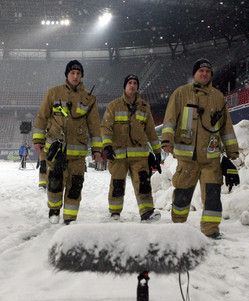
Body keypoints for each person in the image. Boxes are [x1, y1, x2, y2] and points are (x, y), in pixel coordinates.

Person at [161, 58, 239, 239]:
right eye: (201, 71)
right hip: (187, 159)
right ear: (195, 73)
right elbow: (170, 118)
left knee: (212, 196)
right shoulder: (181, 93)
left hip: (211, 159)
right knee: (182, 196)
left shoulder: (218, 97)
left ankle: (211, 230)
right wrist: (167, 139)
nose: (204, 74)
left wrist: (232, 149)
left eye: (207, 71)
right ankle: (178, 227)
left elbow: (226, 126)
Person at [33, 60, 102, 224]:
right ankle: (54, 209)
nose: (75, 76)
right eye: (72, 73)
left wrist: (97, 149)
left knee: (75, 185)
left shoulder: (89, 99)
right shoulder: (53, 93)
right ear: (67, 75)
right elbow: (42, 117)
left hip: (78, 152)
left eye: (78, 73)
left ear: (81, 76)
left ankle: (70, 217)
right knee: (54, 182)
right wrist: (38, 139)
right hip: (56, 150)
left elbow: (94, 126)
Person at [101, 74, 162, 222]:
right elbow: (106, 127)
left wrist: (157, 152)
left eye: (135, 83)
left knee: (143, 184)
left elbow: (151, 132)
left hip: (139, 156)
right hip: (118, 154)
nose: (132, 85)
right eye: (130, 83)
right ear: (125, 86)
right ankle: (114, 212)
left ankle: (147, 212)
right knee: (117, 184)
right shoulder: (113, 106)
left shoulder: (144, 107)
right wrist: (107, 146)